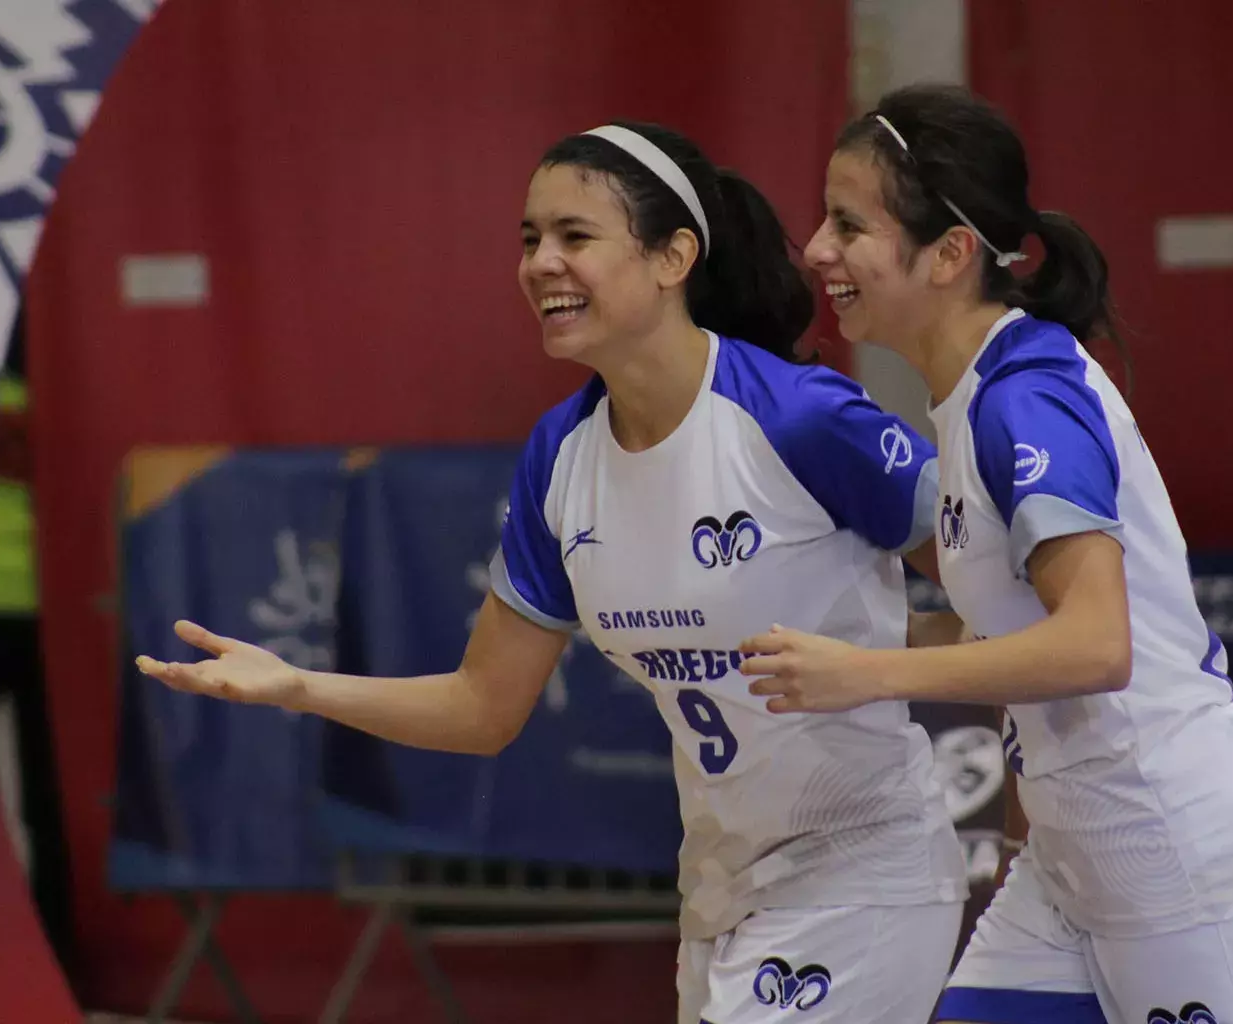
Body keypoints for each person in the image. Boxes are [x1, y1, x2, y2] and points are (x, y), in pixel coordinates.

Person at [136, 120, 969, 1024]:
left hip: (863, 868)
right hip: (723, 886)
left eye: (575, 236)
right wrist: (299, 685)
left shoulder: (801, 419)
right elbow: (482, 707)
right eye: (530, 240)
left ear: (672, 256)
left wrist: (895, 657)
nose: (541, 263)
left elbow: (1001, 596)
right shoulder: (561, 456)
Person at [738, 84, 1233, 1024]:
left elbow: (1096, 648)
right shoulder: (971, 399)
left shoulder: (1027, 397)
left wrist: (866, 672)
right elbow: (1019, 655)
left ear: (950, 253)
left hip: (1189, 864)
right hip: (1072, 869)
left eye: (848, 225)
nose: (816, 249)